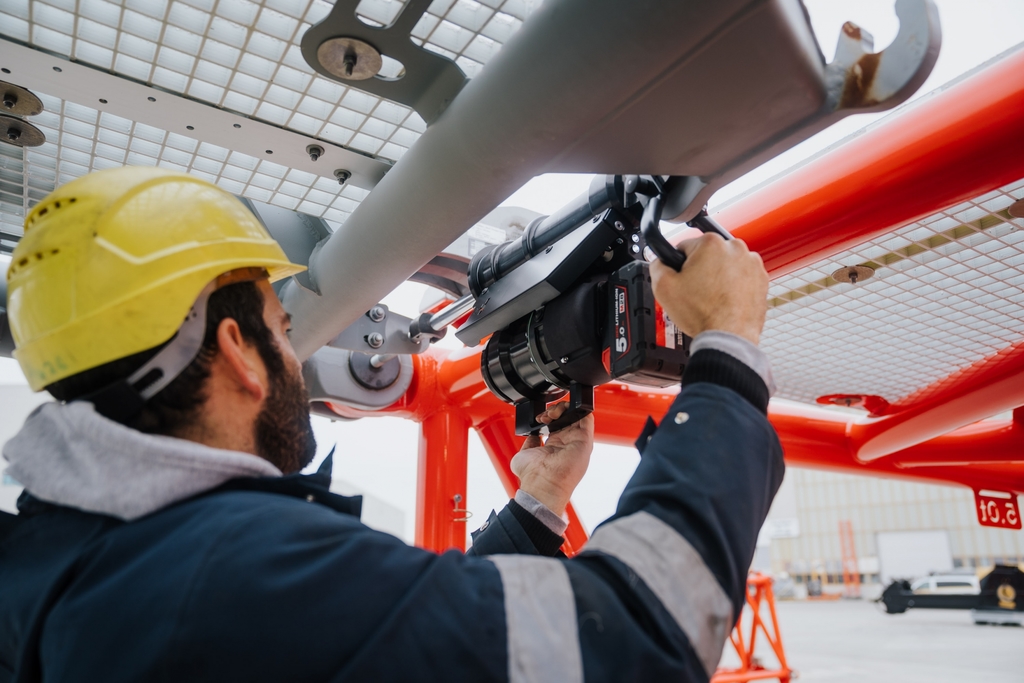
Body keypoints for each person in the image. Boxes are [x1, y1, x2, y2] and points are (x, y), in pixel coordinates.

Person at [0, 167, 782, 682]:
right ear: (238, 351)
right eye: (282, 325)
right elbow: (637, 637)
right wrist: (728, 353)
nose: (293, 353)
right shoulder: (229, 572)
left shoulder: (56, 563)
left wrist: (537, 504)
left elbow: (399, 636)